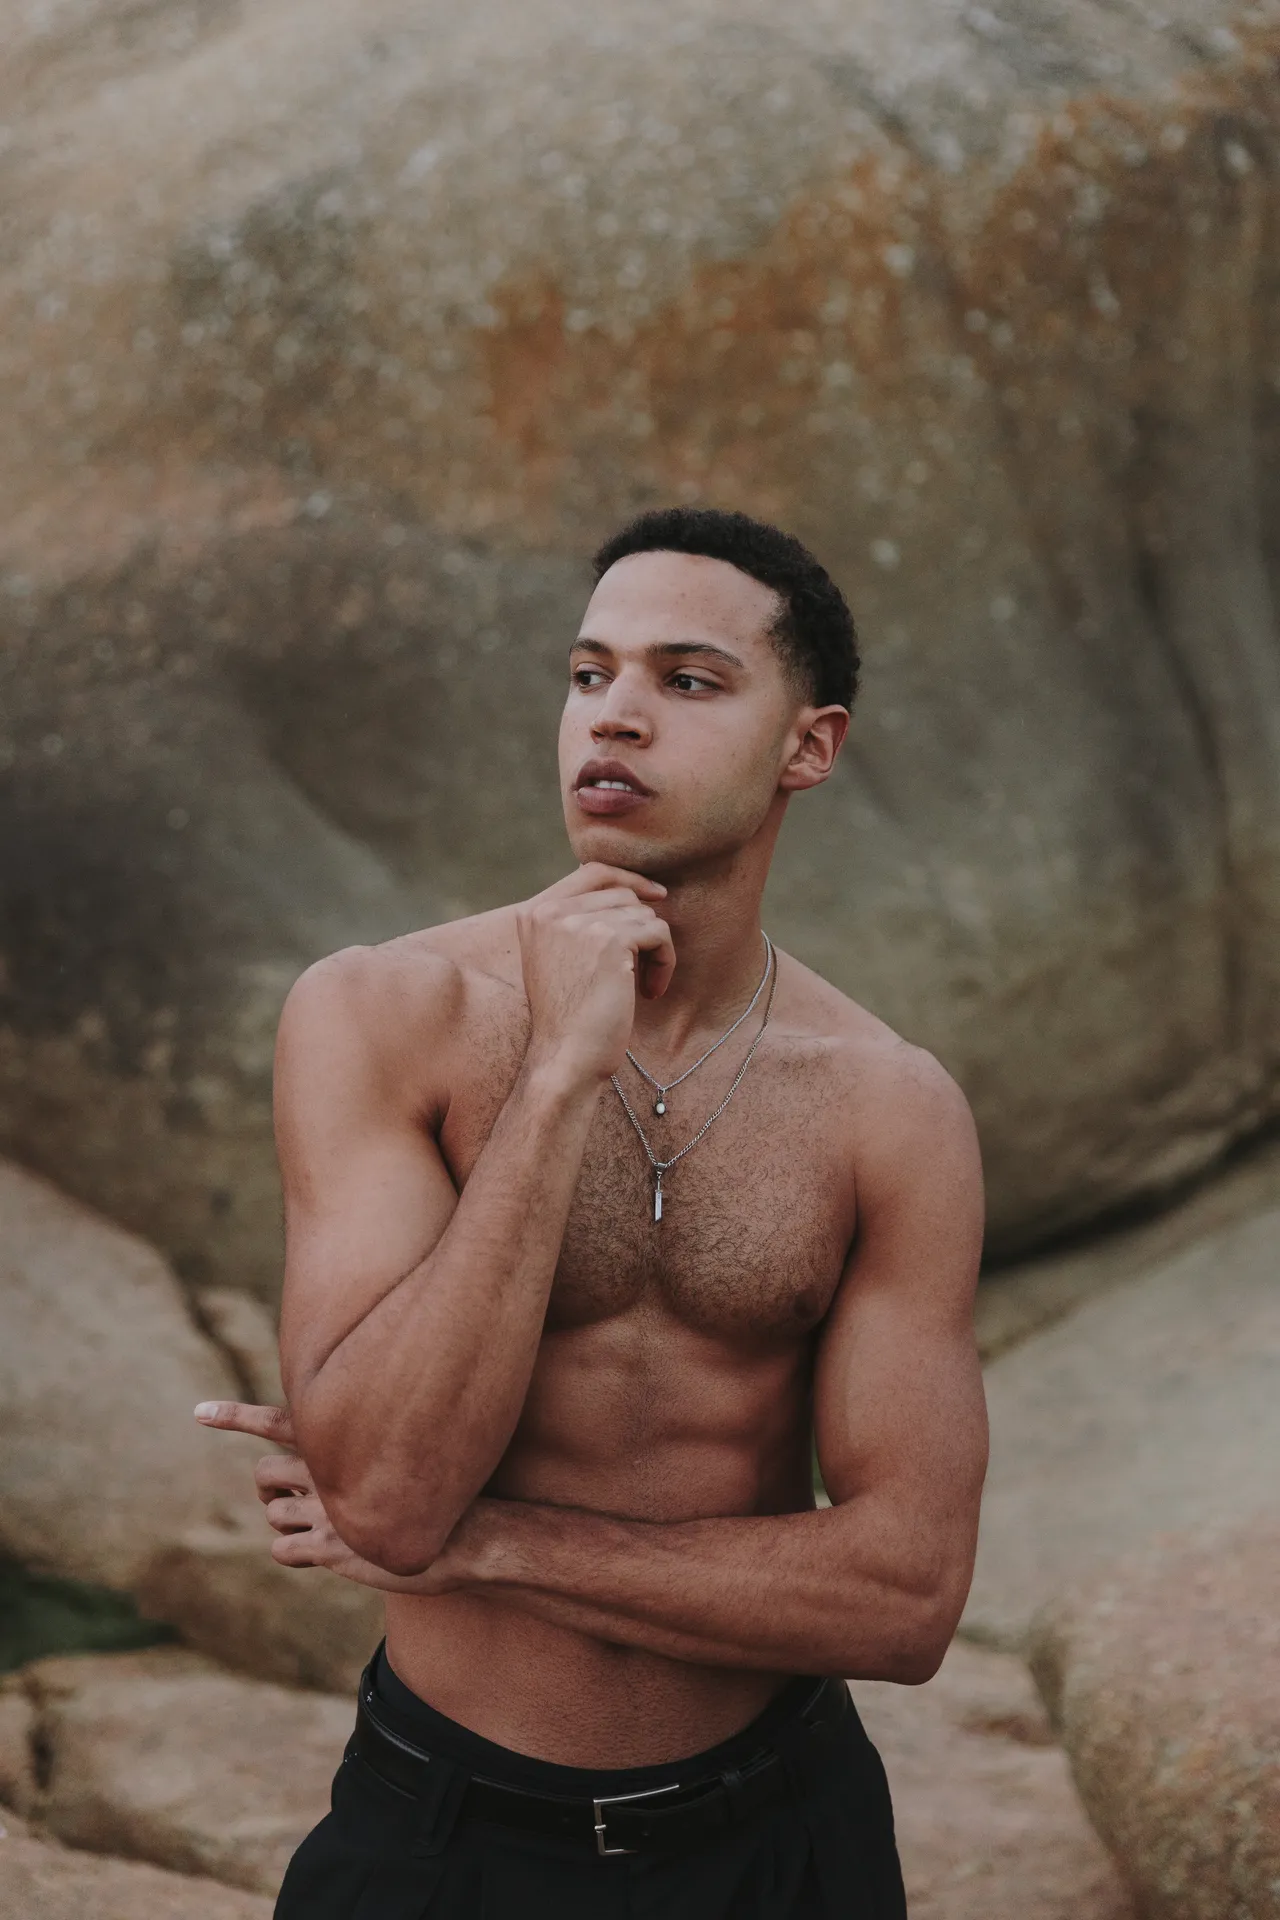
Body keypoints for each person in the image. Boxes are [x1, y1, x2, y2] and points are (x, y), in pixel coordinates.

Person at [197, 507, 987, 1919]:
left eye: (687, 680)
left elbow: (906, 1600)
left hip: (784, 1838)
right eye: (587, 674)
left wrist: (491, 1545)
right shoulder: (385, 1012)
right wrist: (560, 1073)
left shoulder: (889, 1106)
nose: (614, 715)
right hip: (446, 1836)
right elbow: (390, 1495)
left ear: (808, 746)